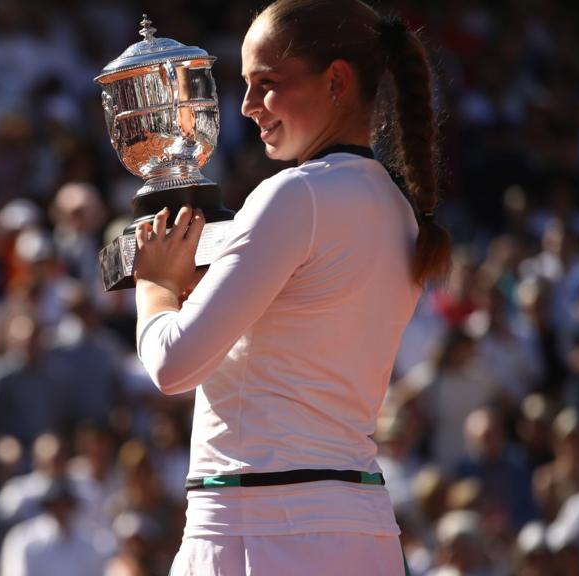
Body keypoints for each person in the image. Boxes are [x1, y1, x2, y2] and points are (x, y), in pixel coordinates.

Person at [131, 1, 453, 573]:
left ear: (336, 81)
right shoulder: (398, 208)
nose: (249, 106)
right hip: (359, 527)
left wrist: (154, 282)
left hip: (262, 525)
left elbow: (174, 364)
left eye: (268, 84)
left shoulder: (294, 195)